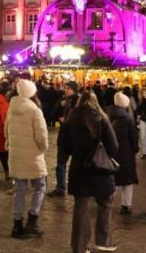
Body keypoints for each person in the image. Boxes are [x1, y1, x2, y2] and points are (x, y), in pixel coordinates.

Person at [59, 91, 119, 253]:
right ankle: (103, 240)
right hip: (100, 169)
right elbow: (113, 147)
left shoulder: (71, 119)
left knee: (81, 209)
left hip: (79, 169)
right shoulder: (102, 118)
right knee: (105, 203)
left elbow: (64, 145)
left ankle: (79, 247)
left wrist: (76, 154)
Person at [5, 79, 49, 239]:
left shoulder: (12, 107)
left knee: (20, 190)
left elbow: (6, 130)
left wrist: (10, 143)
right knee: (40, 186)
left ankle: (17, 225)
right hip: (33, 156)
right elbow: (42, 136)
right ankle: (32, 221)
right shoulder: (34, 110)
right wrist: (43, 149)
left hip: (16, 155)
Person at [106, 92, 139, 215]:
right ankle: (126, 205)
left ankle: (107, 202)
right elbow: (133, 137)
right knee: (127, 180)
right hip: (126, 153)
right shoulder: (128, 118)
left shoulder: (108, 115)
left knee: (112, 178)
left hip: (112, 152)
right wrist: (135, 149)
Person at [48, 81, 79, 197]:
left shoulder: (80, 102)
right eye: (65, 88)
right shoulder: (63, 101)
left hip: (75, 139)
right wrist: (60, 107)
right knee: (60, 165)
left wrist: (68, 122)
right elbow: (52, 115)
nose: (65, 90)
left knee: (76, 165)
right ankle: (60, 188)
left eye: (68, 88)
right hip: (64, 138)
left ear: (74, 90)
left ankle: (77, 187)